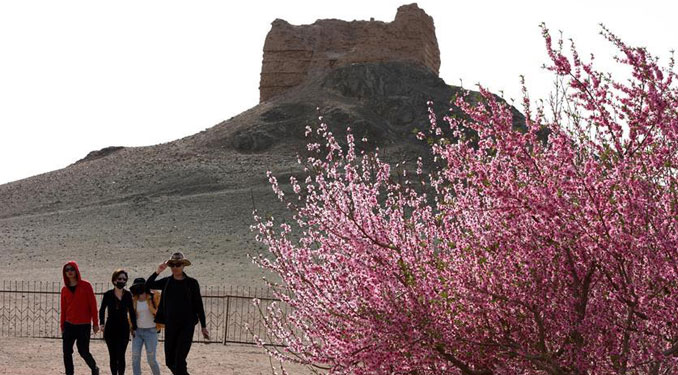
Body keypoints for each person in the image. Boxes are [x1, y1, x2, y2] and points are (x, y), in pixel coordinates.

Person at [146, 252, 208, 375]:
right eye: (172, 265)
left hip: (186, 326)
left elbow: (198, 305)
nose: (175, 267)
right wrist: (158, 271)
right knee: (170, 361)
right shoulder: (167, 282)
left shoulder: (192, 283)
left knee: (179, 360)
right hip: (171, 325)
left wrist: (203, 326)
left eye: (178, 264)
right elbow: (148, 285)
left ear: (183, 265)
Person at [61, 261, 101, 375]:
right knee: (66, 352)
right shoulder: (64, 289)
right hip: (69, 325)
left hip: (83, 325)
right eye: (67, 270)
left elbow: (93, 305)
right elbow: (63, 309)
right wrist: (62, 326)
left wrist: (95, 323)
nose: (69, 272)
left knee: (83, 351)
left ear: (76, 270)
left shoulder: (86, 286)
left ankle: (94, 368)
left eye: (71, 269)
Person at [100, 269, 137, 375]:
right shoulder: (108, 294)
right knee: (113, 356)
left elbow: (131, 312)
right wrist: (102, 324)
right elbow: (102, 310)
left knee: (121, 356)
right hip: (110, 328)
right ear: (114, 280)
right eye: (120, 278)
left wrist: (134, 327)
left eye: (124, 279)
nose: (122, 281)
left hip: (123, 329)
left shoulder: (128, 295)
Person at [130, 277, 162, 375]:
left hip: (151, 331)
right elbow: (129, 314)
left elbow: (161, 306)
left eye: (141, 286)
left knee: (151, 359)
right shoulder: (133, 300)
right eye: (136, 287)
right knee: (135, 358)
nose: (139, 288)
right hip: (137, 331)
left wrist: (155, 293)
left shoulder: (152, 297)